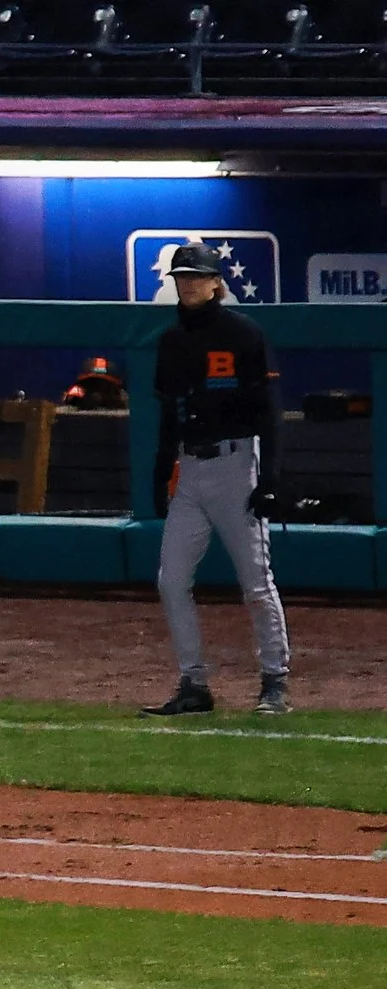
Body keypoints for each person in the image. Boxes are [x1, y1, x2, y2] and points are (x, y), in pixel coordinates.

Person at [141, 241, 293, 718]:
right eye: (180, 277)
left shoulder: (243, 332)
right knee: (171, 580)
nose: (187, 284)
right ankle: (194, 683)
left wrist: (269, 477)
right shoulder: (171, 341)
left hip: (235, 464)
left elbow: (269, 412)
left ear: (215, 283)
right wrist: (162, 468)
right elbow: (170, 411)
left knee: (254, 583)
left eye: (195, 276)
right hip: (191, 470)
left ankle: (274, 681)